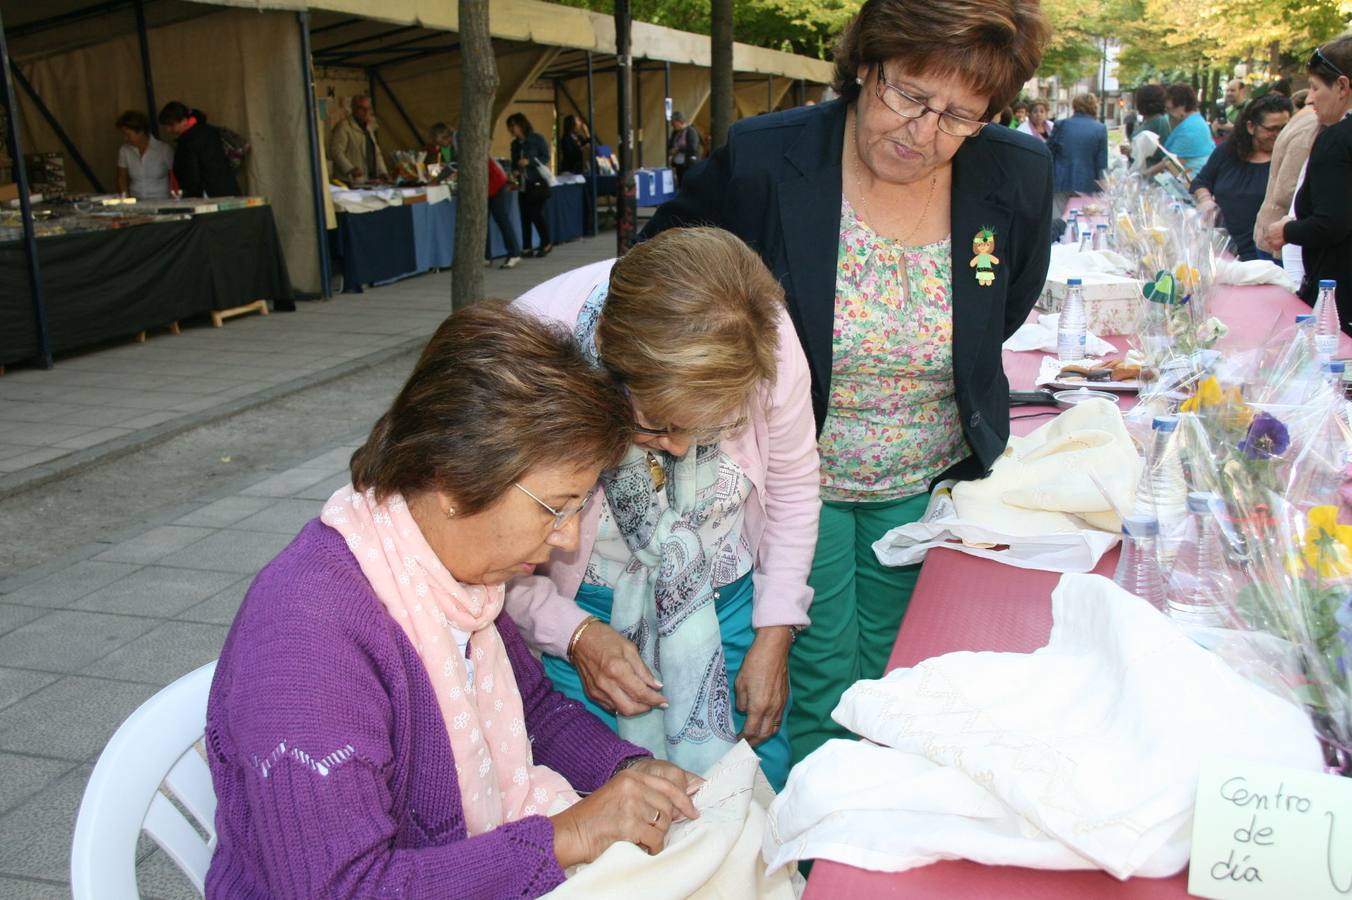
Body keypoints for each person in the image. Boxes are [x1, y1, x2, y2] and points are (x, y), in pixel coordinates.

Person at [641, 0, 1053, 766]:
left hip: (928, 474)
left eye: (961, 116)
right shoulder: (767, 158)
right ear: (867, 65)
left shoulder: (1016, 173)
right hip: (797, 473)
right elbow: (659, 270)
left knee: (908, 671)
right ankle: (822, 857)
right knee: (821, 676)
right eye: (908, 95)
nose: (923, 133)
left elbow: (1005, 304)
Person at [205, 303, 704, 899]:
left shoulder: (448, 576)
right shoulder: (307, 637)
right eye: (556, 508)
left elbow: (535, 713)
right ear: (451, 480)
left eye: (580, 508)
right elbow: (345, 890)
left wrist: (629, 773)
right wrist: (566, 836)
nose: (568, 539)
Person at [506, 227, 820, 791]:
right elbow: (483, 549)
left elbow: (794, 483)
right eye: (661, 427)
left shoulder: (758, 333)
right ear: (611, 368)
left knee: (752, 794)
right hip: (585, 611)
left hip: (730, 599)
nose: (679, 448)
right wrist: (570, 632)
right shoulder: (528, 356)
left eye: (711, 429)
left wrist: (775, 632)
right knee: (604, 800)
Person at [1265, 36, 1352, 331]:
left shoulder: (1337, 140)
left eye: (1315, 88)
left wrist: (1286, 230)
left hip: (1340, 304)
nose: (1310, 99)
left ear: (1342, 86)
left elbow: (1331, 223)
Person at [1190, 93, 1292, 261]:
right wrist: (1206, 200)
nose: (1278, 134)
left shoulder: (1288, 161)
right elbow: (1202, 181)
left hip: (1266, 256)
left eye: (1283, 128)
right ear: (1251, 127)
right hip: (1221, 251)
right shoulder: (1227, 152)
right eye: (1271, 129)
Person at [1254, 102, 1320, 258]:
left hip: (1276, 234)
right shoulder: (1311, 127)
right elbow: (1287, 191)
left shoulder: (1305, 121)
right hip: (1281, 242)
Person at [157, 101, 239, 198]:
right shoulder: (208, 130)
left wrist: (189, 195)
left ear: (183, 120)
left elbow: (192, 175)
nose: (168, 130)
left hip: (208, 194)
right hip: (226, 190)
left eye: (171, 125)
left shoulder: (189, 141)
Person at [1049, 93, 1108, 217]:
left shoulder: (1061, 124)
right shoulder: (1100, 129)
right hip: (1086, 184)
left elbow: (1049, 152)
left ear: (1074, 106)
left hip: (1060, 181)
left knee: (1057, 220)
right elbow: (1101, 164)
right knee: (1082, 221)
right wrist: (1104, 189)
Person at [508, 112, 553, 258]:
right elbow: (514, 162)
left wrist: (529, 161)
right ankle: (527, 247)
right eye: (510, 127)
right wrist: (515, 171)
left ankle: (546, 242)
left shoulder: (536, 139)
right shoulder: (515, 144)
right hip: (523, 183)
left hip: (537, 181)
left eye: (513, 126)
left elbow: (545, 157)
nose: (512, 130)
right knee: (524, 216)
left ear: (521, 125)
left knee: (536, 213)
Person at [1147, 83, 1213, 178]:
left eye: (1170, 109)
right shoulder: (1196, 121)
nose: (1169, 113)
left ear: (1182, 105)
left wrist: (1146, 173)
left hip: (1191, 184)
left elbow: (1172, 162)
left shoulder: (1190, 129)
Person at [114, 110, 173, 200]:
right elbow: (122, 178)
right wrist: (124, 199)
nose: (125, 138)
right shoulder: (125, 150)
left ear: (140, 132)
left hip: (161, 200)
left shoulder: (164, 149)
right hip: (136, 201)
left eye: (128, 135)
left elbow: (174, 177)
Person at [329, 95, 389, 184]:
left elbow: (376, 153)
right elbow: (336, 152)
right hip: (349, 181)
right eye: (362, 108)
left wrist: (383, 172)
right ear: (353, 109)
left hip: (368, 180)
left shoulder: (368, 128)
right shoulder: (344, 127)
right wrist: (350, 169)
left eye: (368, 109)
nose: (366, 112)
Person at [1124, 83, 1172, 171]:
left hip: (1151, 175)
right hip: (1139, 172)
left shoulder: (1160, 122)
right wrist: (1130, 152)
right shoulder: (1146, 121)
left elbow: (1164, 152)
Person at [487, 156, 523, 269]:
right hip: (491, 187)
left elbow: (497, 178)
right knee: (482, 221)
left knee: (502, 219)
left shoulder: (479, 156)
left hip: (497, 188)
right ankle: (485, 256)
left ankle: (514, 253)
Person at [667, 112, 701, 185]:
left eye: (674, 122)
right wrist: (671, 150)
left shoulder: (691, 131)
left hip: (688, 164)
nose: (672, 125)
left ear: (680, 121)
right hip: (677, 164)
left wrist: (678, 150)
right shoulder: (675, 133)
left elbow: (692, 148)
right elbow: (670, 144)